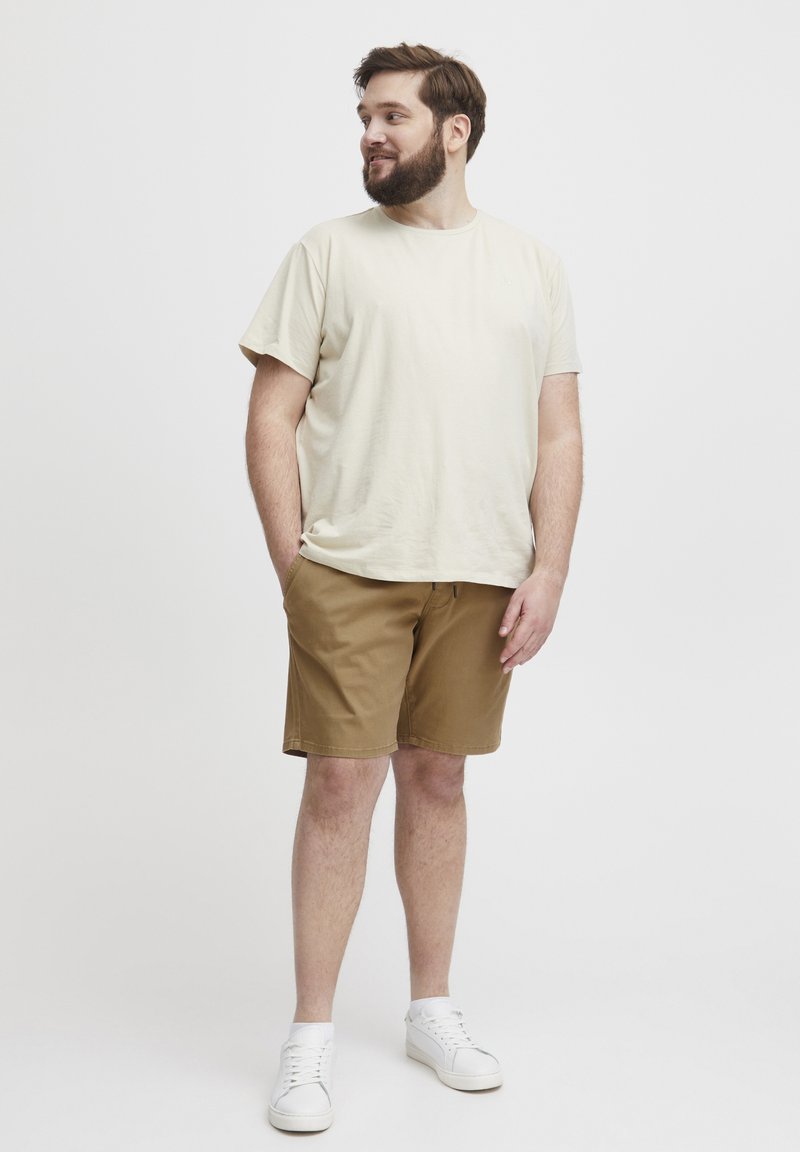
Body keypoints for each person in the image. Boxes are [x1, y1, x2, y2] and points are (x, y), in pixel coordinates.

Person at [238, 41, 584, 1133]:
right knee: (341, 787)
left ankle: (430, 1008)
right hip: (349, 568)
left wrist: (549, 567)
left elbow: (559, 429)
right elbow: (271, 415)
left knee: (437, 780)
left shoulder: (531, 265)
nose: (369, 135)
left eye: (391, 116)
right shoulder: (327, 252)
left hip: (480, 572)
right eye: (364, 118)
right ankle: (309, 1036)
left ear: (454, 131)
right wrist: (294, 567)